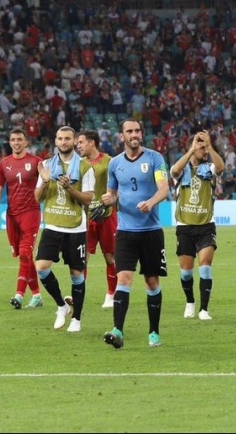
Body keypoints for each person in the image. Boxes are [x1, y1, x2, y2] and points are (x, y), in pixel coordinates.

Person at [101, 120, 171, 349]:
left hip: (150, 232)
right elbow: (112, 193)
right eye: (129, 131)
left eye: (137, 131)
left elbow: (164, 188)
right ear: (122, 136)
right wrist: (109, 200)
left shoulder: (154, 158)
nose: (134, 134)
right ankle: (117, 330)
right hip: (125, 232)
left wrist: (150, 202)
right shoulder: (114, 164)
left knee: (151, 282)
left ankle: (153, 332)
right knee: (123, 278)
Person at [34, 127, 95, 332]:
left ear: (75, 141)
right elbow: (37, 198)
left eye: (67, 138)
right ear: (56, 141)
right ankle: (62, 305)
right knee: (41, 267)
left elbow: (88, 198)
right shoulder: (45, 165)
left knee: (77, 274)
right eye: (60, 138)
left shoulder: (85, 167)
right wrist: (43, 181)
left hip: (76, 227)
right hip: (52, 225)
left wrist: (69, 188)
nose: (63, 142)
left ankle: (76, 319)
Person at [170, 131, 225, 321]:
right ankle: (190, 301)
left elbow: (221, 167)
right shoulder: (182, 170)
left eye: (205, 148)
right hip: (185, 226)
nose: (204, 151)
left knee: (205, 266)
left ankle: (204, 309)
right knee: (186, 272)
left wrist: (209, 146)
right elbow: (174, 171)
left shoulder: (209, 168)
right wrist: (193, 149)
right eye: (201, 148)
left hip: (206, 226)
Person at [0, 129, 44, 309]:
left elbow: (46, 186)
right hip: (12, 216)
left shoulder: (36, 162)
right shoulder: (4, 164)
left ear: (26, 142)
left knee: (26, 253)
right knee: (23, 256)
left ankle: (19, 294)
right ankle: (37, 295)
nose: (16, 142)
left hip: (31, 213)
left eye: (20, 139)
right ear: (10, 143)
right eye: (13, 140)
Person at [76, 130, 118, 309]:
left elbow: (118, 186)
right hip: (85, 218)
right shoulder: (77, 164)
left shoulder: (109, 161)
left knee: (110, 257)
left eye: (81, 142)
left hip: (106, 216)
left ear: (92, 143)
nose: (78, 146)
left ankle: (111, 294)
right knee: (81, 258)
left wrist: (110, 201)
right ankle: (79, 295)